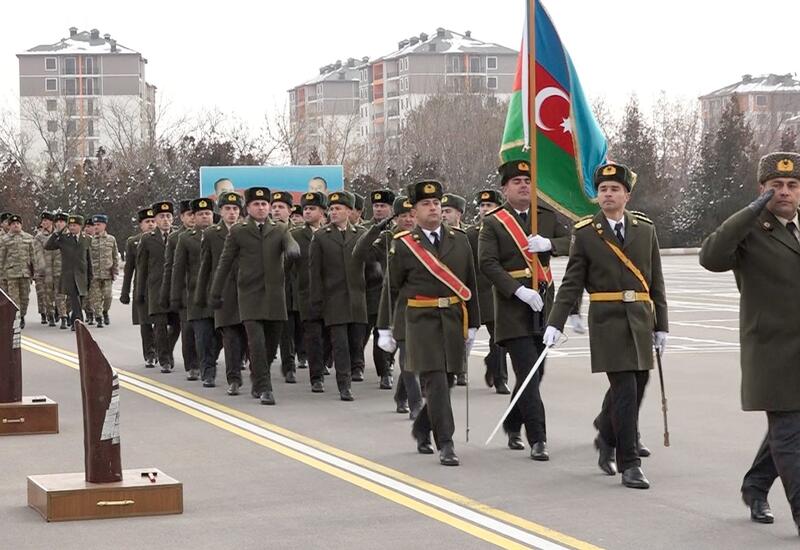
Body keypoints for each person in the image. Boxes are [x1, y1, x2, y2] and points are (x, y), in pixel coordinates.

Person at [545, 162, 668, 489]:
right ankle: (630, 464)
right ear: (597, 197)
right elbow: (572, 283)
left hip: (641, 319)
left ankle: (606, 431)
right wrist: (555, 322)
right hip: (608, 320)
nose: (608, 194)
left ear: (627, 195)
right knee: (625, 389)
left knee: (638, 385)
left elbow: (656, 282)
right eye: (603, 190)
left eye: (615, 189)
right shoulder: (586, 233)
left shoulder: (645, 229)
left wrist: (662, 326)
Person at [699, 152, 800, 530]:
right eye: (775, 186)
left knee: (788, 428)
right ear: (762, 190)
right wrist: (750, 212)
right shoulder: (750, 231)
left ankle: (756, 485)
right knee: (789, 432)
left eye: (792, 185)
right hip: (772, 350)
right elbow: (711, 256)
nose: (784, 192)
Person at [377, 180, 479, 466]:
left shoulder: (460, 240)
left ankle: (422, 428)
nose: (433, 208)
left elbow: (471, 282)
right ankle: (446, 443)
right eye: (426, 204)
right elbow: (391, 288)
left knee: (446, 382)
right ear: (415, 210)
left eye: (437, 203)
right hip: (420, 322)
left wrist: (474, 324)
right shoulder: (404, 244)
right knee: (434, 380)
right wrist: (385, 328)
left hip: (453, 320)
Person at [478, 159, 571, 460]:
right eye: (516, 182)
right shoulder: (493, 222)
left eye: (527, 181)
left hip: (544, 304)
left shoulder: (545, 217)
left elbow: (573, 241)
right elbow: (487, 263)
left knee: (536, 371)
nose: (523, 186)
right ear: (504, 188)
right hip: (512, 307)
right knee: (528, 371)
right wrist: (518, 290)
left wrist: (550, 245)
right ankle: (538, 438)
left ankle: (512, 422)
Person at [210, 187, 300, 405]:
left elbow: (290, 242)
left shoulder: (279, 229)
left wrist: (293, 250)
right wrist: (215, 292)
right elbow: (225, 262)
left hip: (275, 297)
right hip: (249, 295)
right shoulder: (238, 231)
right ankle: (264, 388)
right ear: (248, 208)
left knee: (270, 346)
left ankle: (258, 374)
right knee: (256, 343)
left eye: (264, 204)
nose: (261, 207)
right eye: (256, 204)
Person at [309, 191, 370, 401]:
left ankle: (355, 370)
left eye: (339, 209)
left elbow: (370, 266)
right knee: (340, 344)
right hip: (333, 299)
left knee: (356, 342)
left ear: (349, 211)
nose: (334, 212)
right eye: (332, 209)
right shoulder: (321, 236)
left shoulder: (362, 234)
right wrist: (316, 301)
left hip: (357, 298)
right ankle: (344, 385)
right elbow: (314, 272)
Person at [367, 196, 423, 417]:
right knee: (407, 355)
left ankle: (402, 395)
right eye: (403, 216)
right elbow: (361, 254)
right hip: (395, 304)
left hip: (422, 305)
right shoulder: (386, 239)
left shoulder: (425, 239)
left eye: (412, 215)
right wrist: (375, 229)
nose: (408, 219)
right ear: (395, 218)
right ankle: (415, 402)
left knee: (413, 357)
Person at [196, 192, 247, 396]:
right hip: (223, 294)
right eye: (227, 209)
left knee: (247, 337)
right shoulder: (210, 234)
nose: (232, 213)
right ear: (221, 211)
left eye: (235, 209)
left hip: (247, 292)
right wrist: (202, 295)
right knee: (230, 337)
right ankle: (233, 379)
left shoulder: (248, 231)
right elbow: (205, 267)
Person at [466, 189, 509, 394]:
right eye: (482, 206)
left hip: (497, 290)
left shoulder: (507, 232)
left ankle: (500, 376)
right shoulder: (471, 234)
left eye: (489, 206)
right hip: (474, 291)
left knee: (499, 338)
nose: (485, 209)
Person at [172, 198, 219, 386]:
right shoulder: (186, 238)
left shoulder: (224, 234)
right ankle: (205, 370)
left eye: (207, 213)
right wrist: (175, 296)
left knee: (223, 336)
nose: (204, 217)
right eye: (200, 214)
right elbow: (177, 268)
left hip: (221, 294)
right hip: (196, 295)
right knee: (201, 335)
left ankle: (211, 361)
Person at [290, 191, 331, 393]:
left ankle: (325, 362)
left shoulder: (331, 233)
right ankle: (316, 377)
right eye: (305, 208)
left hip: (332, 294)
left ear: (323, 212)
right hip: (306, 293)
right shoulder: (295, 235)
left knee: (332, 335)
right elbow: (286, 265)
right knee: (313, 336)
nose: (307, 212)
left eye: (312, 208)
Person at [358, 188, 396, 389]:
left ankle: (385, 371)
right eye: (376, 206)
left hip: (391, 291)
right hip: (368, 289)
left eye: (383, 206)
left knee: (385, 332)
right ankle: (357, 364)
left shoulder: (398, 230)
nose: (379, 209)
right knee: (362, 334)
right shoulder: (364, 229)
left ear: (391, 208)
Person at [137, 201, 180, 373]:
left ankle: (167, 350)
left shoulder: (178, 236)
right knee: (160, 325)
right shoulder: (147, 239)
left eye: (168, 216)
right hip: (155, 288)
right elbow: (142, 268)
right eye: (162, 217)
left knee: (177, 325)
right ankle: (164, 360)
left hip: (175, 288)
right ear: (155, 219)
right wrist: (140, 292)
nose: (165, 220)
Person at [160, 199, 198, 377]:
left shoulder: (207, 233)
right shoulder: (176, 238)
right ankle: (191, 365)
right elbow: (169, 267)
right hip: (183, 290)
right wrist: (168, 293)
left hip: (204, 290)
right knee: (185, 329)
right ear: (182, 217)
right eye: (189, 215)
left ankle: (204, 360)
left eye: (194, 214)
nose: (192, 218)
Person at [120, 207, 157, 368]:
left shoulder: (166, 238)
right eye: (147, 222)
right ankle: (149, 353)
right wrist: (125, 292)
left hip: (160, 287)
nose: (151, 224)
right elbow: (129, 270)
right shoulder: (133, 242)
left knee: (163, 323)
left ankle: (160, 349)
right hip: (142, 288)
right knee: (145, 323)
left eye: (153, 221)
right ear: (141, 225)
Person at [270, 191, 299, 383]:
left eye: (281, 207)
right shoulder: (266, 232)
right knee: (282, 331)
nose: (277, 210)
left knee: (296, 331)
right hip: (272, 291)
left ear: (290, 210)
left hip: (295, 290)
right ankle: (288, 366)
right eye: (274, 207)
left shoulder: (297, 233)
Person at [45, 214, 92, 331]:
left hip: (82, 274)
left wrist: (90, 275)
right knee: (74, 298)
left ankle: (72, 319)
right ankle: (78, 322)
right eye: (70, 225)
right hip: (69, 275)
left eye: (74, 225)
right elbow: (48, 246)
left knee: (80, 299)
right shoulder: (64, 239)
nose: (72, 228)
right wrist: (57, 232)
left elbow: (88, 258)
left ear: (80, 226)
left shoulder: (87, 239)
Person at [0, 214, 45, 329]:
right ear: (10, 226)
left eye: (18, 224)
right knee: (14, 298)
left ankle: (23, 315)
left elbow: (33, 256)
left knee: (25, 297)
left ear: (21, 225)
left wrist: (35, 271)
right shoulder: (4, 240)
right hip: (11, 274)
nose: (16, 225)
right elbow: (2, 257)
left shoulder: (28, 238)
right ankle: (17, 318)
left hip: (25, 273)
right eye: (13, 224)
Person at [87, 214, 119, 328]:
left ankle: (105, 311)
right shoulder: (89, 240)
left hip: (107, 273)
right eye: (94, 224)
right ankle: (99, 317)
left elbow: (115, 256)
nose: (96, 227)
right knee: (96, 297)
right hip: (94, 274)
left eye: (98, 224)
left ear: (104, 225)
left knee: (108, 296)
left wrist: (115, 271)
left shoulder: (111, 239)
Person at [33, 211, 56, 326]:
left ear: (52, 222)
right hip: (44, 269)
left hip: (57, 268)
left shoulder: (57, 235)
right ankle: (48, 314)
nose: (44, 223)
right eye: (43, 221)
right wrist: (41, 267)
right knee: (45, 294)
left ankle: (58, 312)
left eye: (46, 220)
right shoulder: (39, 237)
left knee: (57, 293)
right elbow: (38, 253)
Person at [52, 212, 70, 328]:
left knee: (72, 296)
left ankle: (67, 312)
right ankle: (63, 317)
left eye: (62, 222)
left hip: (71, 270)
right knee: (60, 295)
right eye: (57, 222)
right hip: (57, 270)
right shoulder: (54, 237)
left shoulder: (72, 236)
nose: (59, 224)